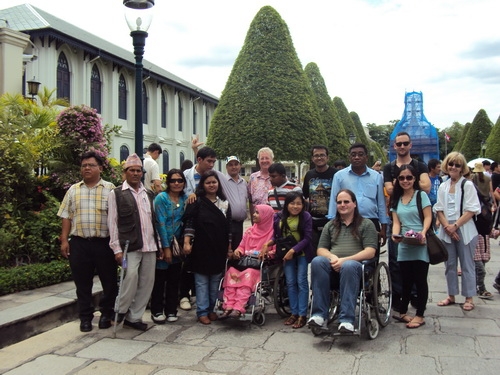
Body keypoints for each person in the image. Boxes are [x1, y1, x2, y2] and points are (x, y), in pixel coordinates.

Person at [57, 151, 118, 332]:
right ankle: (85, 317)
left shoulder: (110, 189)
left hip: (104, 244)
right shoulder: (73, 190)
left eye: (91, 165)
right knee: (82, 284)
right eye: (84, 165)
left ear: (100, 168)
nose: (87, 168)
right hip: (79, 243)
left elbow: (116, 218)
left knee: (109, 282)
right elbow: (66, 216)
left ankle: (106, 314)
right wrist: (64, 240)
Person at [308, 189, 378, 333]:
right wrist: (333, 258)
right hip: (333, 267)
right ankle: (319, 315)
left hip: (356, 269)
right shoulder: (331, 225)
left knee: (349, 266)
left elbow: (370, 252)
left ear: (354, 204)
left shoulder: (366, 224)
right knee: (317, 261)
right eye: (339, 202)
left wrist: (345, 260)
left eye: (346, 201)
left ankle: (346, 320)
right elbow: (321, 249)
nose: (342, 205)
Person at [108, 153, 161, 331]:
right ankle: (120, 310)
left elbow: (154, 221)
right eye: (132, 170)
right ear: (125, 172)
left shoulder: (149, 194)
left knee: (147, 282)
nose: (136, 173)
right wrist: (116, 248)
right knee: (130, 277)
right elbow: (112, 222)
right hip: (129, 245)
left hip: (150, 245)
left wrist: (160, 244)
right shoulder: (116, 194)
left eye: (139, 170)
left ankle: (135, 316)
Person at [383, 132, 431, 312]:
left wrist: (398, 183)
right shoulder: (389, 167)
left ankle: (416, 297)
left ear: (410, 145)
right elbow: (388, 188)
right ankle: (398, 296)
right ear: (394, 146)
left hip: (417, 223)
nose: (402, 147)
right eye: (398, 144)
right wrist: (411, 181)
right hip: (398, 218)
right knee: (396, 262)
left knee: (418, 266)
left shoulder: (419, 164)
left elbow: (426, 187)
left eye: (405, 143)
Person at [183, 171, 232, 325]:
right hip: (200, 248)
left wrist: (229, 247)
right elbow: (189, 223)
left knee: (215, 281)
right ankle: (202, 311)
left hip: (218, 247)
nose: (211, 185)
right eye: (208, 182)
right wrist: (186, 242)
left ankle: (211, 310)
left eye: (214, 182)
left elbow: (228, 228)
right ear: (202, 185)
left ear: (218, 184)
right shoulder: (196, 201)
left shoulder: (224, 203)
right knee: (201, 281)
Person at [434, 152, 480, 311]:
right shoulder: (443, 185)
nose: (453, 167)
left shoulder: (467, 185)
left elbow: (472, 209)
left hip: (465, 229)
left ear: (462, 168)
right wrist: (447, 226)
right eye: (451, 164)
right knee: (450, 264)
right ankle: (451, 295)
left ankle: (469, 297)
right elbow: (438, 208)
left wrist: (456, 226)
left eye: (457, 165)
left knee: (467, 264)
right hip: (447, 229)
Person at [391, 165, 432, 329]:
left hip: (420, 242)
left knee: (420, 280)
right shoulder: (397, 198)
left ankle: (420, 315)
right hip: (405, 244)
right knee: (405, 279)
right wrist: (395, 235)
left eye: (409, 177)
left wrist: (422, 232)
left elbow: (428, 216)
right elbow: (396, 222)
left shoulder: (421, 195)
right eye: (402, 178)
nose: (405, 181)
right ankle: (402, 311)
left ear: (415, 179)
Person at [266, 191, 313, 329]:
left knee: (301, 282)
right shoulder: (279, 217)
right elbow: (276, 237)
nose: (295, 206)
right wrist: (267, 244)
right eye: (292, 203)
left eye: (299, 203)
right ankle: (294, 313)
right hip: (286, 254)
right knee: (291, 283)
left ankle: (302, 315)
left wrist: (294, 250)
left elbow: (307, 238)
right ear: (287, 205)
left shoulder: (306, 217)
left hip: (302, 253)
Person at [220, 204, 275, 319]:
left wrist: (265, 254)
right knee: (231, 272)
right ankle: (228, 305)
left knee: (247, 275)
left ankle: (239, 307)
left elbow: (274, 252)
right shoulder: (250, 231)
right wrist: (238, 251)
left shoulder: (272, 233)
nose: (254, 214)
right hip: (244, 263)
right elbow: (241, 247)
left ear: (266, 216)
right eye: (254, 212)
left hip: (259, 266)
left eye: (257, 212)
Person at [327, 143, 387, 248]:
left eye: (360, 154)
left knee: (371, 259)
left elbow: (381, 203)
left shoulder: (376, 176)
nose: (357, 157)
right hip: (346, 223)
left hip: (371, 222)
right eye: (353, 155)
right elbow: (333, 201)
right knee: (347, 257)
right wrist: (332, 225)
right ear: (349, 157)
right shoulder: (339, 176)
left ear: (366, 157)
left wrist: (384, 228)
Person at [180, 147, 218, 311]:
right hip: (189, 222)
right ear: (199, 159)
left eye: (213, 162)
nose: (211, 164)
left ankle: (199, 297)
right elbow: (176, 190)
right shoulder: (186, 176)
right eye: (209, 161)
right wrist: (187, 196)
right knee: (187, 262)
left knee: (201, 264)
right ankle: (184, 295)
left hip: (207, 228)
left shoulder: (213, 177)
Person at [151, 169, 188, 324]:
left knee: (174, 279)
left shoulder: (186, 198)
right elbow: (160, 224)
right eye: (173, 180)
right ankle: (157, 310)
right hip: (161, 244)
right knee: (160, 279)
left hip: (177, 247)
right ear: (168, 183)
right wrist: (166, 248)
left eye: (180, 180)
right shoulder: (161, 198)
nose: (176, 183)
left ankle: (171, 310)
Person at [302, 145, 337, 248]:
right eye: (316, 155)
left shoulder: (336, 174)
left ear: (327, 157)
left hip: (332, 220)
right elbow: (305, 195)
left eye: (322, 155)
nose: (319, 158)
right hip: (313, 220)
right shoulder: (309, 175)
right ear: (312, 158)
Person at [223, 156, 248, 250]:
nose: (234, 167)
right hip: (228, 223)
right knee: (227, 250)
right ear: (226, 167)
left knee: (238, 249)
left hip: (240, 224)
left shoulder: (244, 182)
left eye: (236, 164)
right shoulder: (222, 181)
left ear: (240, 166)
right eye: (230, 165)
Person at [248, 147, 274, 217]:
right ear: (258, 161)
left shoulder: (278, 177)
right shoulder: (253, 177)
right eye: (262, 158)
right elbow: (250, 201)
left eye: (267, 158)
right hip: (258, 219)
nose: (264, 161)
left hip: (274, 219)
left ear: (272, 160)